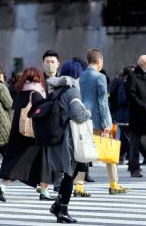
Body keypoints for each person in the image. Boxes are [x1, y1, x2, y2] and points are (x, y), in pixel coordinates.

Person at [0, 67, 54, 203]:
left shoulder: (20, 92)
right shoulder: (36, 93)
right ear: (38, 78)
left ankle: (2, 186)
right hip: (33, 134)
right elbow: (43, 111)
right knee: (44, 161)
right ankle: (44, 191)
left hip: (17, 132)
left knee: (17, 160)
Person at [80, 48, 128, 194]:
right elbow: (102, 102)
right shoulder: (99, 77)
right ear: (99, 61)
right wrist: (107, 123)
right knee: (109, 151)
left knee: (83, 153)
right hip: (98, 121)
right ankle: (114, 184)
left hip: (83, 119)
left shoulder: (81, 76)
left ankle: (78, 185)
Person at [47, 69, 91, 223]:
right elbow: (78, 115)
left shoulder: (54, 90)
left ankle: (58, 205)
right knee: (69, 176)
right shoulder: (72, 92)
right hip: (68, 140)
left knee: (67, 175)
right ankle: (63, 210)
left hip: (55, 138)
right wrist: (88, 113)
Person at [42, 50, 64, 191]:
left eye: (52, 62)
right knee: (44, 155)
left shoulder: (63, 81)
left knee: (59, 153)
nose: (50, 65)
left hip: (59, 124)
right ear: (42, 64)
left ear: (58, 64)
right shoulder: (39, 82)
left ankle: (58, 182)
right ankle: (44, 183)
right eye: (47, 62)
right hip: (42, 124)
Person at [109, 67, 132, 165]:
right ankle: (120, 157)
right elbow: (122, 99)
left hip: (119, 114)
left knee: (123, 138)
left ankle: (120, 157)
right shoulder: (123, 84)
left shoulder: (117, 81)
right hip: (123, 115)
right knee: (126, 138)